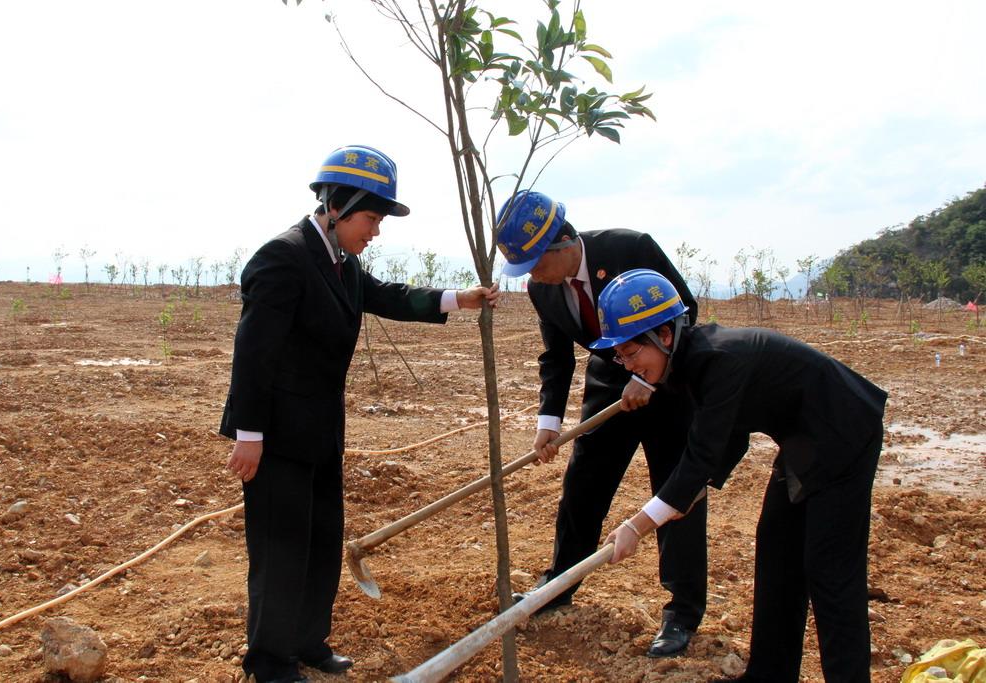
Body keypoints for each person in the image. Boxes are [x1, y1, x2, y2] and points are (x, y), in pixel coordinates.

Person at [219, 144, 499, 683]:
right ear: (336, 205)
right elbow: (254, 352)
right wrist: (249, 433)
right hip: (276, 436)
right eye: (370, 217)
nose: (375, 230)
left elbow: (387, 296)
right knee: (281, 549)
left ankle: (308, 641)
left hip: (322, 431)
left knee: (322, 539)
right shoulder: (283, 257)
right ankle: (270, 661)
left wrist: (456, 299)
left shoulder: (342, 264)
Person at [595, 269, 887, 683]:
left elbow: (700, 453)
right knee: (777, 555)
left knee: (830, 573)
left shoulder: (718, 358)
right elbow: (727, 437)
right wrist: (691, 491)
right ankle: (769, 674)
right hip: (802, 440)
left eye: (629, 352)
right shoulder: (688, 363)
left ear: (663, 335)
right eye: (620, 357)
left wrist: (637, 525)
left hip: (843, 434)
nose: (628, 365)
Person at [495, 190, 708, 657]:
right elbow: (556, 356)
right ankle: (558, 585)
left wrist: (651, 379)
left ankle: (682, 611)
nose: (531, 274)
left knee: (677, 492)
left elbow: (685, 312)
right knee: (583, 484)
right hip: (610, 385)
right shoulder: (542, 289)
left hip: (669, 381)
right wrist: (548, 420)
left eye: (535, 262)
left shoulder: (630, 247)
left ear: (562, 242)